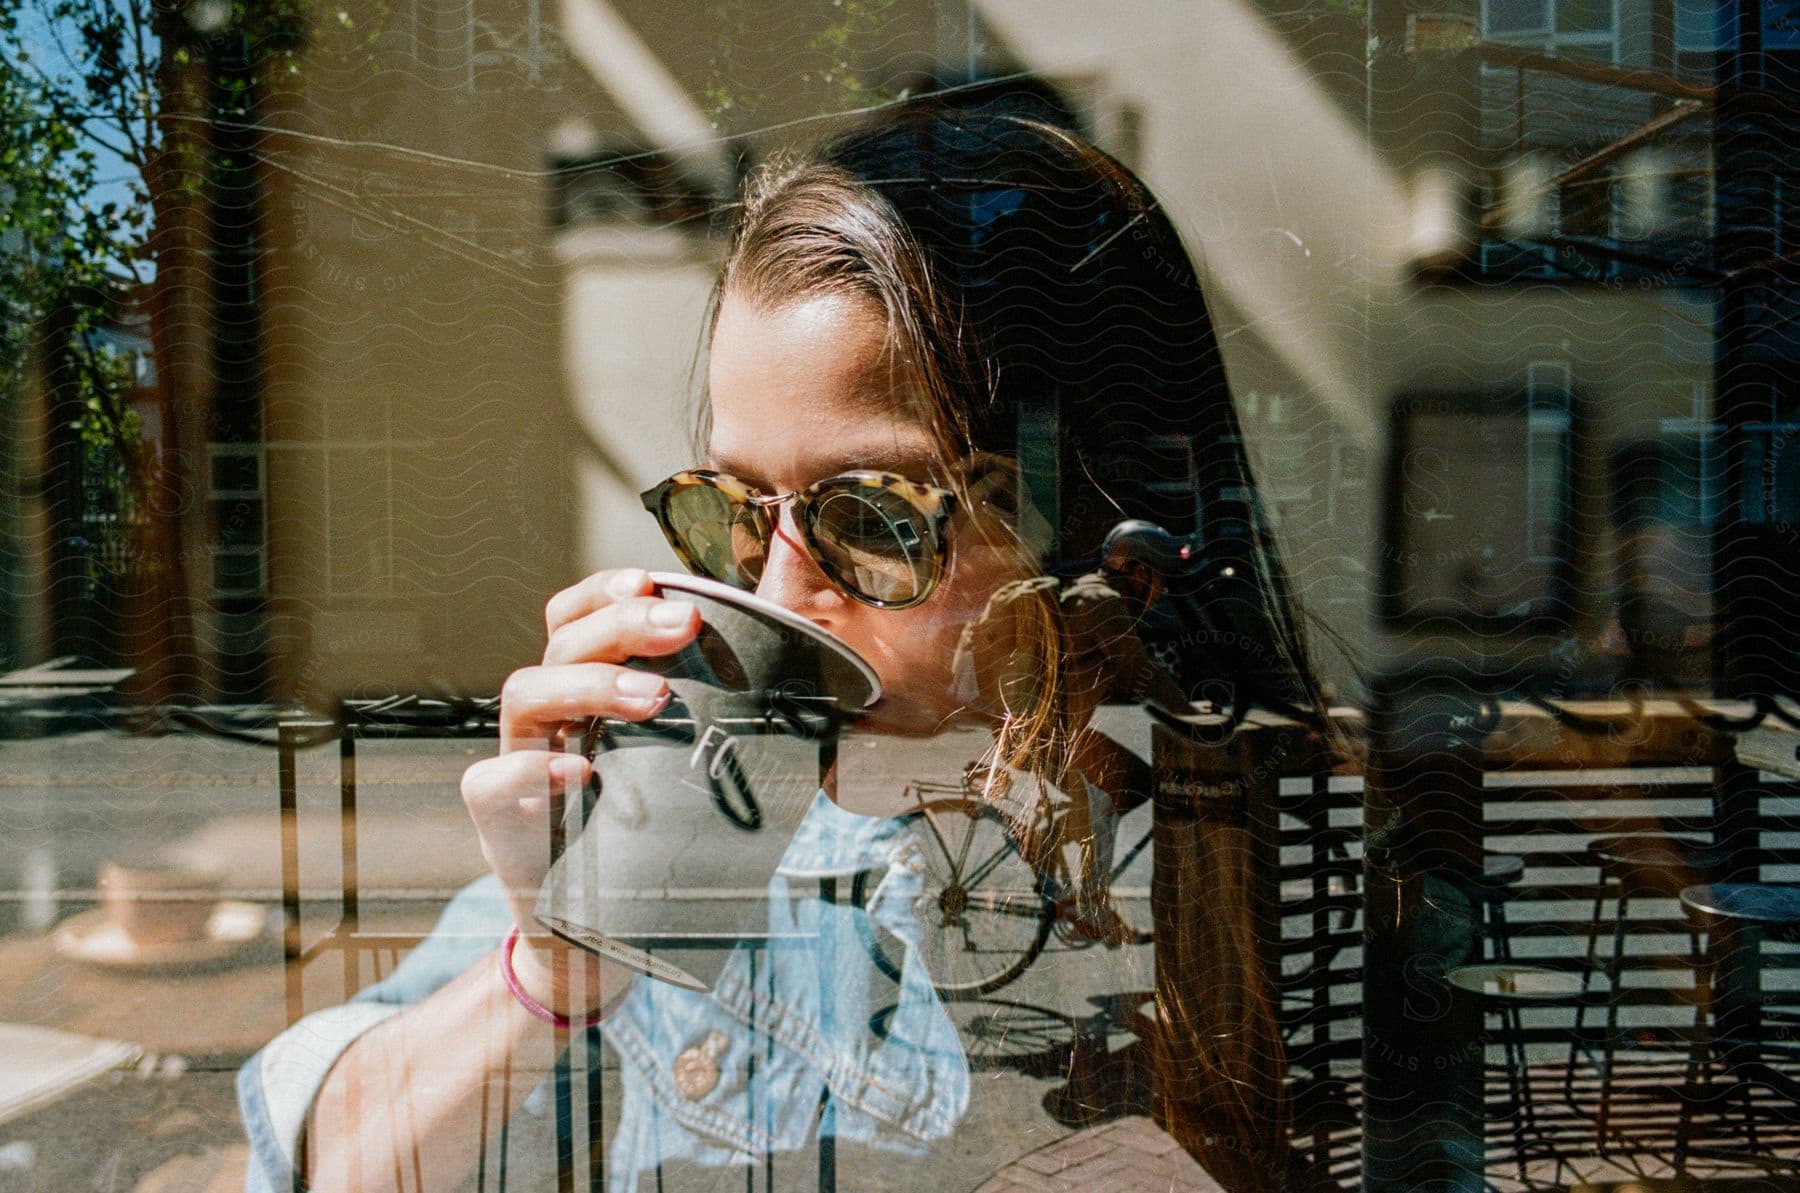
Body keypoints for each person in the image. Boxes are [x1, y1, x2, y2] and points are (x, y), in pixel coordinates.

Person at [237, 95, 1324, 1192]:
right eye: (736, 508)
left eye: (877, 517)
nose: (778, 593)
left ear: (1100, 535)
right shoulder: (707, 831)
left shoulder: (1261, 877)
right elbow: (325, 1165)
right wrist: (560, 963)